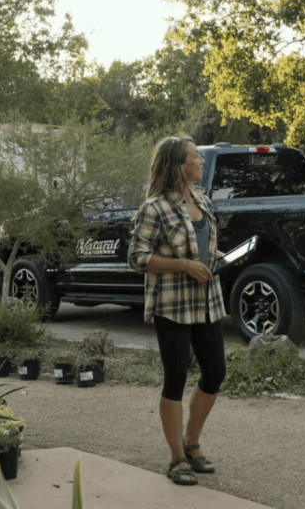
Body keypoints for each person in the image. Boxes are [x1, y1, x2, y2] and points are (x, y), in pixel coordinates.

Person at [128, 136, 227, 486]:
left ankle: (191, 442)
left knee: (215, 373)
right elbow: (136, 258)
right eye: (195, 157)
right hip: (173, 304)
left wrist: (222, 259)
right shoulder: (154, 208)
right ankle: (176, 459)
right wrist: (183, 265)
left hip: (207, 301)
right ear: (178, 164)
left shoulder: (202, 200)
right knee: (176, 377)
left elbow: (204, 248)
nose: (201, 161)